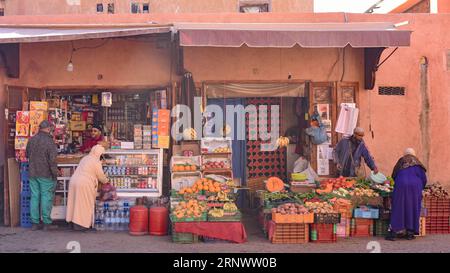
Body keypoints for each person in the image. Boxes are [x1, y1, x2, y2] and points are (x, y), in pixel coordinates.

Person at [386, 148, 427, 241]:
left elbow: (394, 175)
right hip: (415, 187)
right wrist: (420, 188)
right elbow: (424, 179)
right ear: (414, 155)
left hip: (401, 185)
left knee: (398, 207)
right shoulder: (418, 164)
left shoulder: (401, 162)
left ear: (404, 154)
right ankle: (410, 233)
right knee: (412, 208)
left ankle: (393, 233)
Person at [66, 145, 109, 232]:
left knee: (74, 203)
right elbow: (101, 176)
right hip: (84, 183)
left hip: (74, 181)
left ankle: (72, 222)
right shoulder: (96, 161)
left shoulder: (85, 158)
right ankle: (82, 225)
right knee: (85, 204)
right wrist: (106, 180)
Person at [25, 120, 58, 231]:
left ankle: (34, 223)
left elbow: (27, 154)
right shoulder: (50, 142)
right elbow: (52, 161)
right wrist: (55, 174)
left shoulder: (32, 140)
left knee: (34, 197)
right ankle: (46, 223)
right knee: (46, 197)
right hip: (45, 173)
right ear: (48, 129)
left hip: (33, 173)